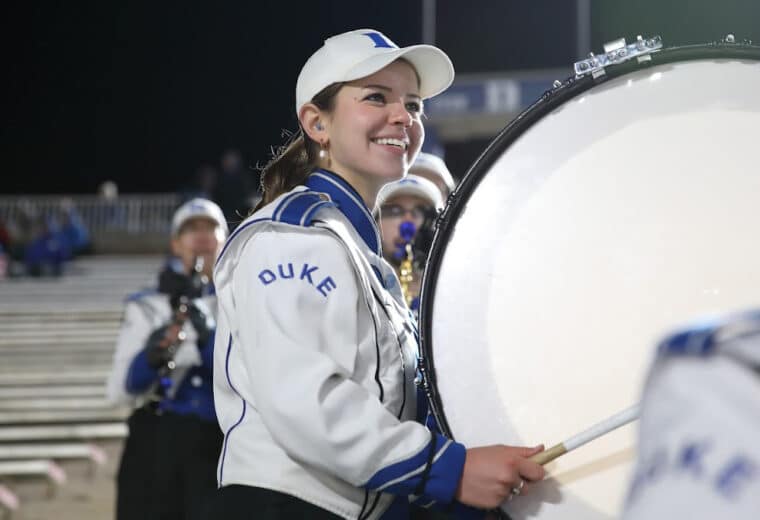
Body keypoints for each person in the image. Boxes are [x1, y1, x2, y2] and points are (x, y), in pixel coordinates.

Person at [207, 29, 545, 520]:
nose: (402, 117)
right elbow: (307, 403)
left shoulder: (356, 249)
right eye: (375, 98)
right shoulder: (292, 237)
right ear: (317, 123)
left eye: (413, 104)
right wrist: (451, 469)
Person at [106, 198, 228, 520]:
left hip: (220, 446)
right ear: (176, 243)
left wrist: (208, 335)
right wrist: (153, 355)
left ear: (225, 240)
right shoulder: (148, 305)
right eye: (191, 228)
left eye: (210, 227)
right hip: (157, 444)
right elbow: (120, 390)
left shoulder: (244, 302)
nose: (201, 235)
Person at [376, 174, 442, 312]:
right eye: (395, 211)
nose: (408, 222)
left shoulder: (444, 290)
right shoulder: (359, 284)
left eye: (419, 212)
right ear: (375, 221)